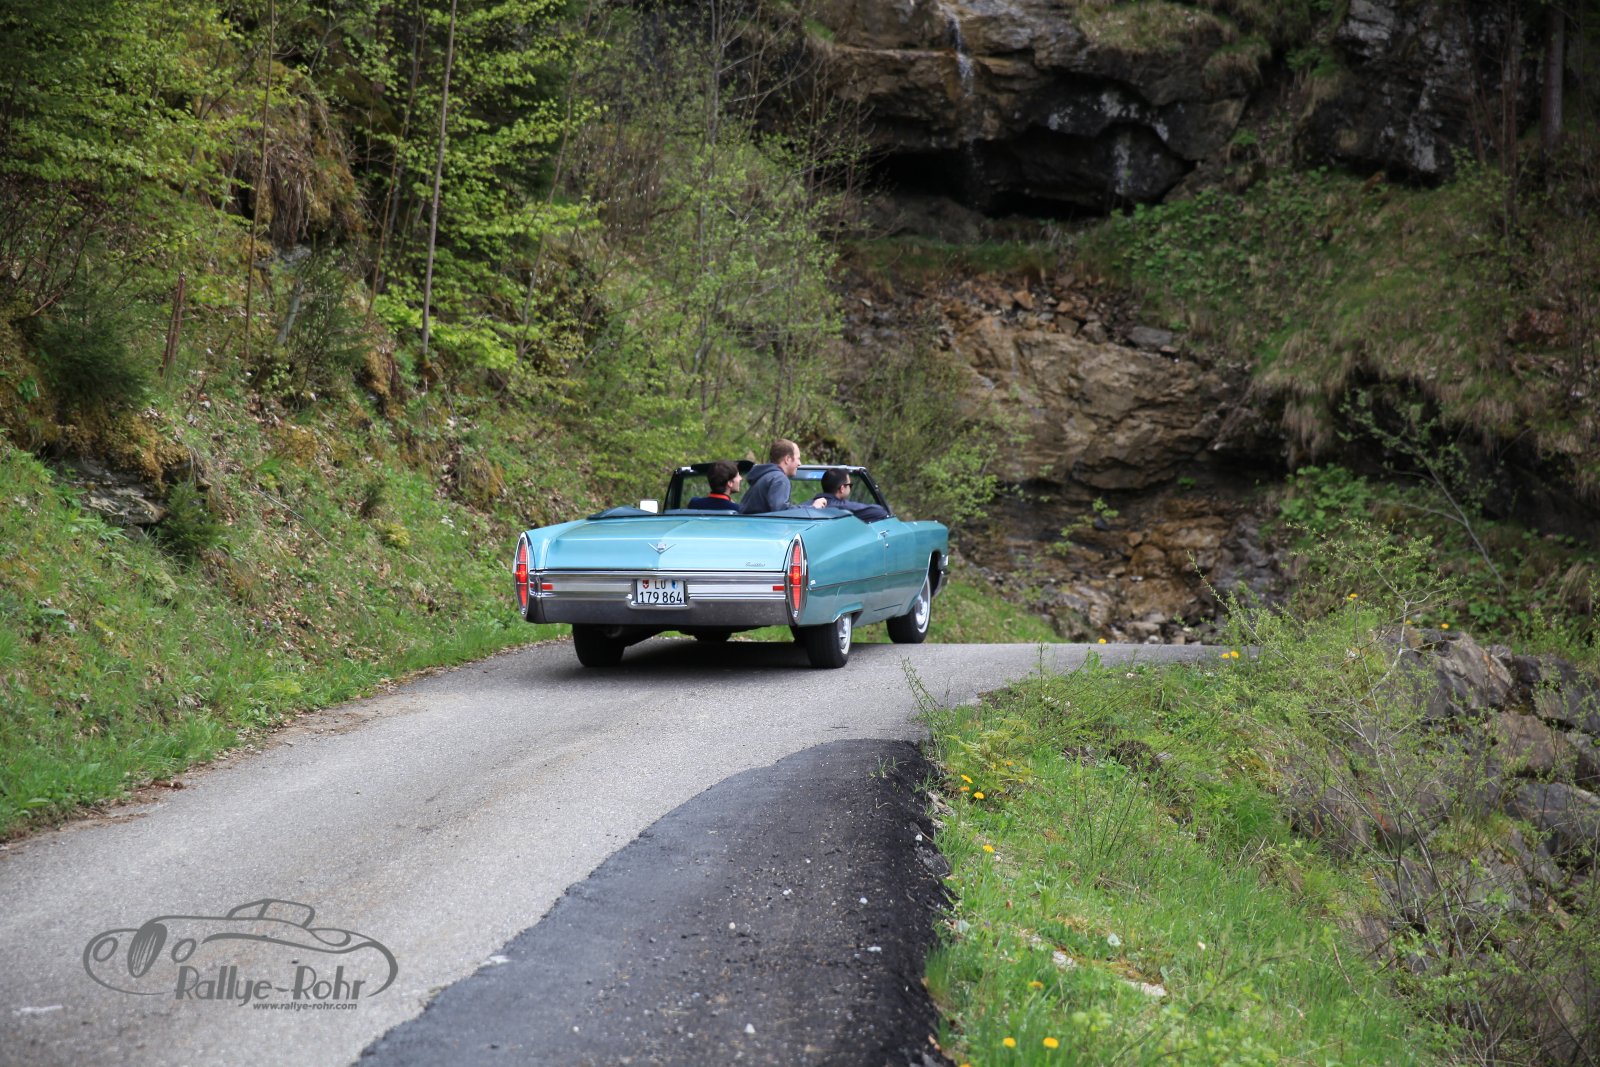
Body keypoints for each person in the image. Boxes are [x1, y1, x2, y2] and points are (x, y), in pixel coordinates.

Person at [739, 439, 825, 514]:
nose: (800, 463)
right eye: (798, 458)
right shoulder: (780, 479)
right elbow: (781, 512)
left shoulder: (764, 476)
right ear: (787, 459)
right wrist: (812, 508)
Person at [812, 467, 889, 522]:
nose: (850, 488)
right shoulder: (843, 507)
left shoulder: (809, 506)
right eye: (850, 485)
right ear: (842, 488)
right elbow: (880, 512)